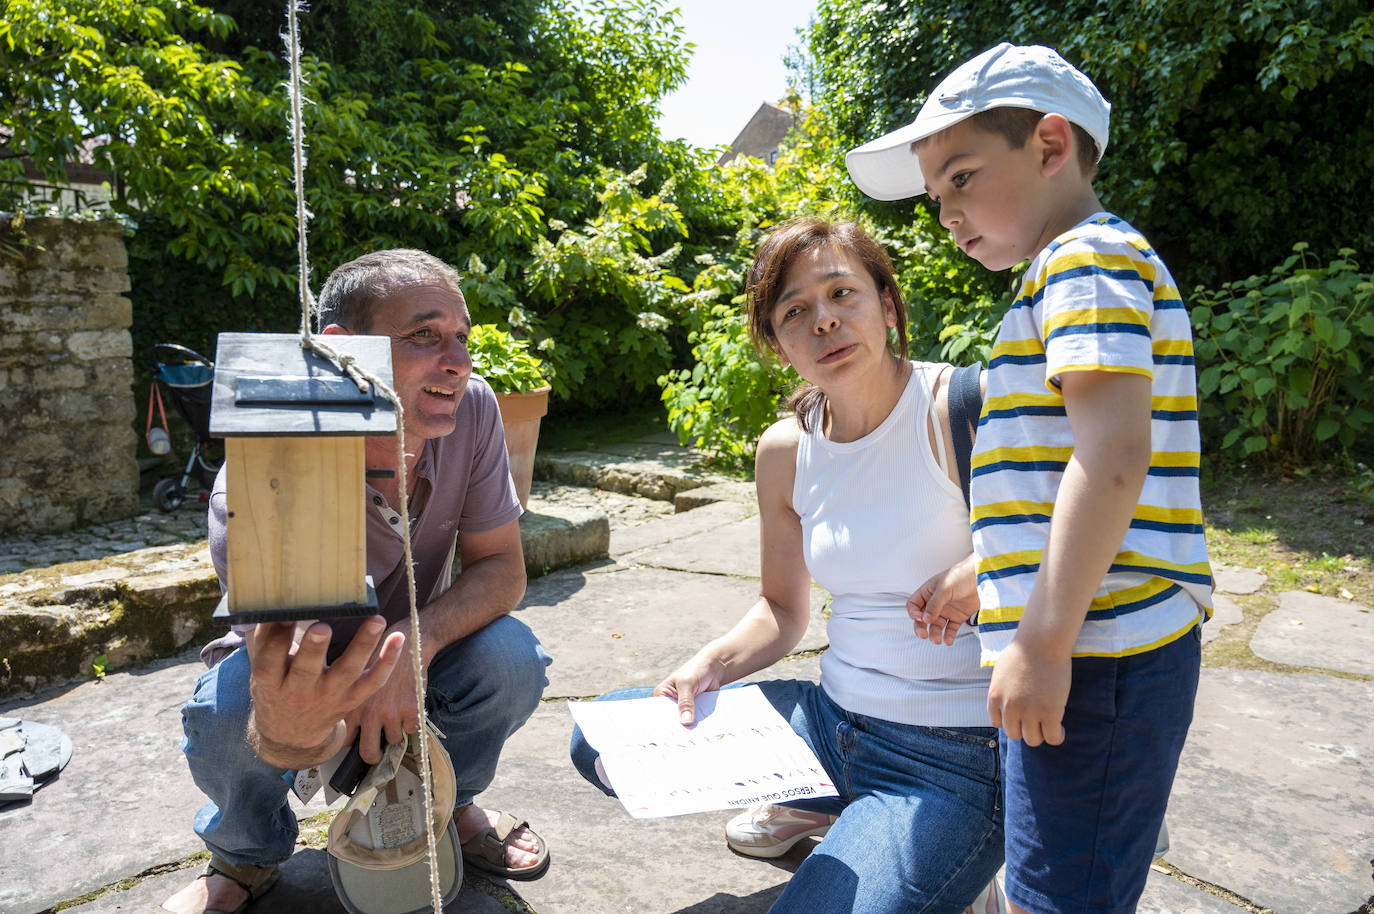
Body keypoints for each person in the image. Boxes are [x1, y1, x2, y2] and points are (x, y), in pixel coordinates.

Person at [846, 43, 1213, 914]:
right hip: (1082, 645)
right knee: (1044, 877)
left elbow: (1113, 460)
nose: (946, 213)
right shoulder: (1067, 272)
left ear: (1050, 145)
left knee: (1060, 895)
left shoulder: (1086, 262)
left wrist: (1043, 644)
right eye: (936, 198)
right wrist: (991, 572)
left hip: (1097, 653)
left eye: (962, 178)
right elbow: (1059, 475)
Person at [570, 218, 1005, 914]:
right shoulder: (786, 450)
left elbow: (1081, 536)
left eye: (843, 294)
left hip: (953, 759)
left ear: (887, 305)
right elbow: (781, 609)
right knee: (601, 738)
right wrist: (710, 665)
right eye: (795, 311)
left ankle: (960, 862)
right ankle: (831, 809)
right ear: (776, 344)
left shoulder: (964, 408)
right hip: (829, 728)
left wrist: (986, 568)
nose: (825, 321)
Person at [161, 249, 554, 914]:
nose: (456, 361)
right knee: (229, 715)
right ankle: (244, 854)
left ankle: (449, 801)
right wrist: (306, 729)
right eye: (425, 336)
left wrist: (413, 645)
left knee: (512, 660)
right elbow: (286, 682)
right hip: (298, 670)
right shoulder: (269, 469)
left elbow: (502, 570)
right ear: (343, 352)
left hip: (415, 656)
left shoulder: (476, 410)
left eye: (462, 337)